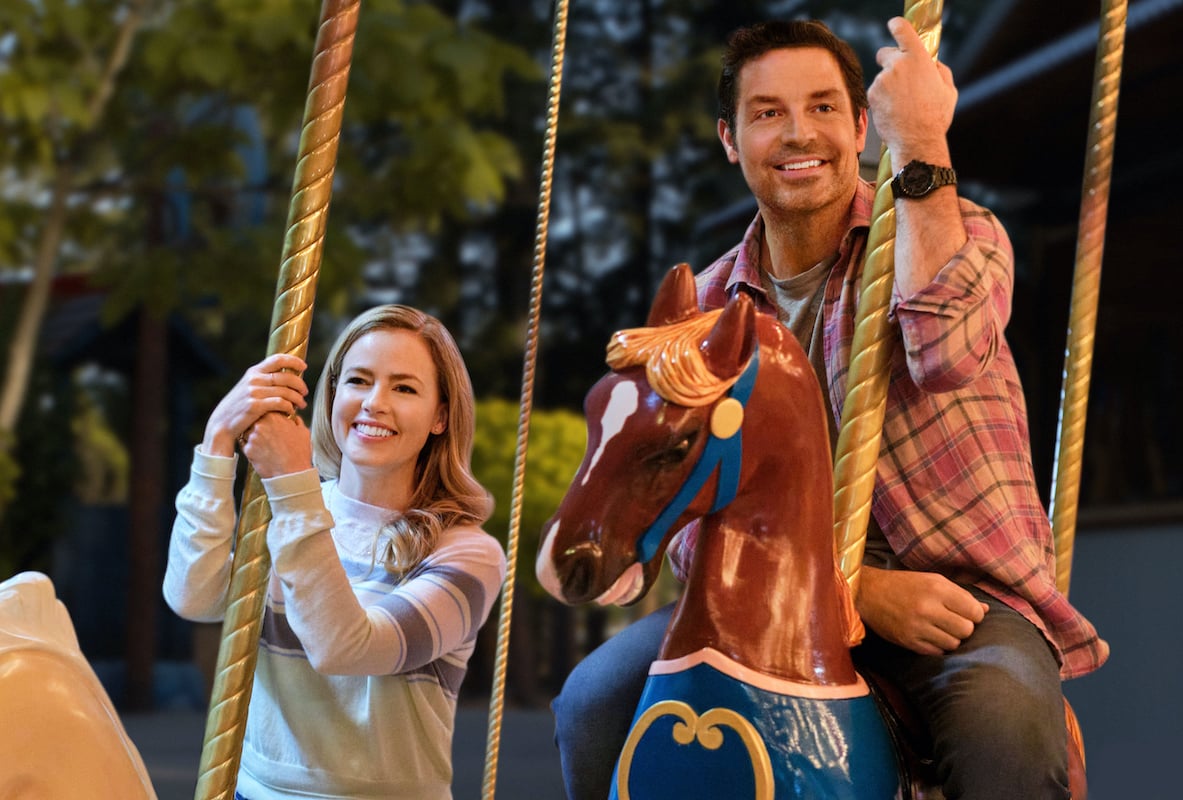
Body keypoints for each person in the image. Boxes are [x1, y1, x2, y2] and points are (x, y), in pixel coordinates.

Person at [548, 18, 1108, 800]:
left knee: (1004, 721)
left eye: (820, 107)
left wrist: (921, 146)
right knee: (592, 701)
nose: (797, 132)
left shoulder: (956, 229)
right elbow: (674, 494)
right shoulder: (707, 305)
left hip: (952, 596)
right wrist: (856, 592)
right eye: (768, 112)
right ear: (730, 139)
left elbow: (944, 354)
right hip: (764, 599)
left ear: (857, 127)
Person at [164, 305, 505, 800]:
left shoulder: (469, 554)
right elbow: (194, 597)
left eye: (404, 388)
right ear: (332, 395)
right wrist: (218, 439)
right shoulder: (288, 507)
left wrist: (289, 482)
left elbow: (347, 648)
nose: (374, 403)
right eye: (358, 381)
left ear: (440, 417)